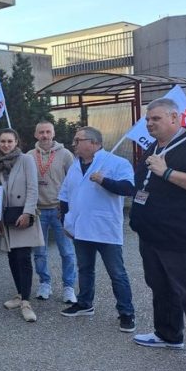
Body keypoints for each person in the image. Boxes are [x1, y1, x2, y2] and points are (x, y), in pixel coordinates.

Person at [129, 98, 186, 371]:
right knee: (161, 287)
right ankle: (168, 334)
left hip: (184, 238)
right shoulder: (153, 146)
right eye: (148, 120)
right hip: (153, 235)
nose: (149, 123)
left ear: (175, 118)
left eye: (155, 118)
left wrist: (167, 172)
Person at [58, 127, 136, 332]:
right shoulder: (75, 166)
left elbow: (129, 189)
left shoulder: (117, 162)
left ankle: (126, 312)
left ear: (93, 143)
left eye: (78, 140)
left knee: (116, 272)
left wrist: (104, 180)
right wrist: (66, 222)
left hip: (105, 228)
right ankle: (85, 303)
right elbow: (65, 195)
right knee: (84, 268)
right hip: (80, 228)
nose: (74, 144)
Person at [0, 129, 44, 322]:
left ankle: (26, 301)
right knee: (12, 257)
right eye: (3, 141)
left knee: (23, 258)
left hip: (22, 215)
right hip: (6, 217)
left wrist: (28, 212)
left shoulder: (26, 160)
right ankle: (20, 294)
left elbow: (33, 187)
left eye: (9, 141)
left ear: (16, 142)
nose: (6, 145)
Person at [27, 121, 77, 303]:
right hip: (38, 211)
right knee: (40, 252)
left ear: (53, 133)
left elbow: (73, 182)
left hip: (58, 210)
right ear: (35, 134)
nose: (45, 136)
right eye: (41, 132)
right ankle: (44, 283)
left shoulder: (65, 155)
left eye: (48, 132)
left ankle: (68, 287)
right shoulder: (29, 156)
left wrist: (68, 208)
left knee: (67, 251)